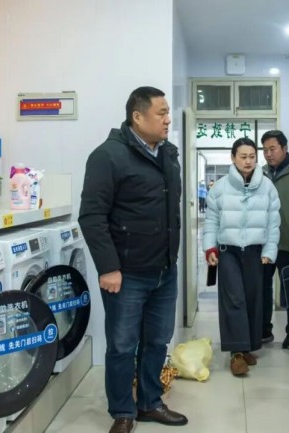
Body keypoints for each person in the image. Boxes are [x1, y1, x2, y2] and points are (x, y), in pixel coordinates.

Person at [78, 86, 187, 433]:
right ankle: (123, 411)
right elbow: (92, 216)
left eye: (168, 113)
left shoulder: (168, 154)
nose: (168, 119)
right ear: (137, 117)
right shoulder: (108, 156)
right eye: (161, 113)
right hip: (126, 274)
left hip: (164, 270)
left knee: (157, 341)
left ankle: (150, 403)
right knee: (123, 345)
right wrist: (108, 267)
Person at [203, 137, 280, 376]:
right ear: (233, 158)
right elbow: (211, 221)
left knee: (254, 299)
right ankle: (236, 353)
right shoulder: (221, 188)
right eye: (243, 156)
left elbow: (274, 222)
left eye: (252, 157)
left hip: (256, 252)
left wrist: (269, 251)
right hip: (229, 251)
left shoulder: (267, 186)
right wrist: (210, 248)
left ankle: (247, 347)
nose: (248, 161)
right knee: (234, 299)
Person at [260, 130, 289, 349]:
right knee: (262, 288)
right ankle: (264, 330)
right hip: (265, 243)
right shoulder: (261, 173)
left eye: (272, 149)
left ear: (285, 148)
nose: (268, 154)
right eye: (265, 150)